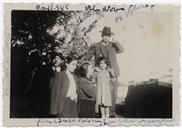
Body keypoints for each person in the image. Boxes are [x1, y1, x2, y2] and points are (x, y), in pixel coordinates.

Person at [90, 26, 124, 116]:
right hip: (101, 72)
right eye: (105, 35)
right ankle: (100, 112)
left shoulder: (113, 45)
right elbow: (89, 55)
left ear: (110, 36)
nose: (106, 37)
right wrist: (92, 68)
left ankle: (111, 111)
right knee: (101, 91)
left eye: (108, 35)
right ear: (102, 36)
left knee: (113, 92)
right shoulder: (96, 45)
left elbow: (122, 50)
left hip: (113, 72)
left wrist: (116, 41)